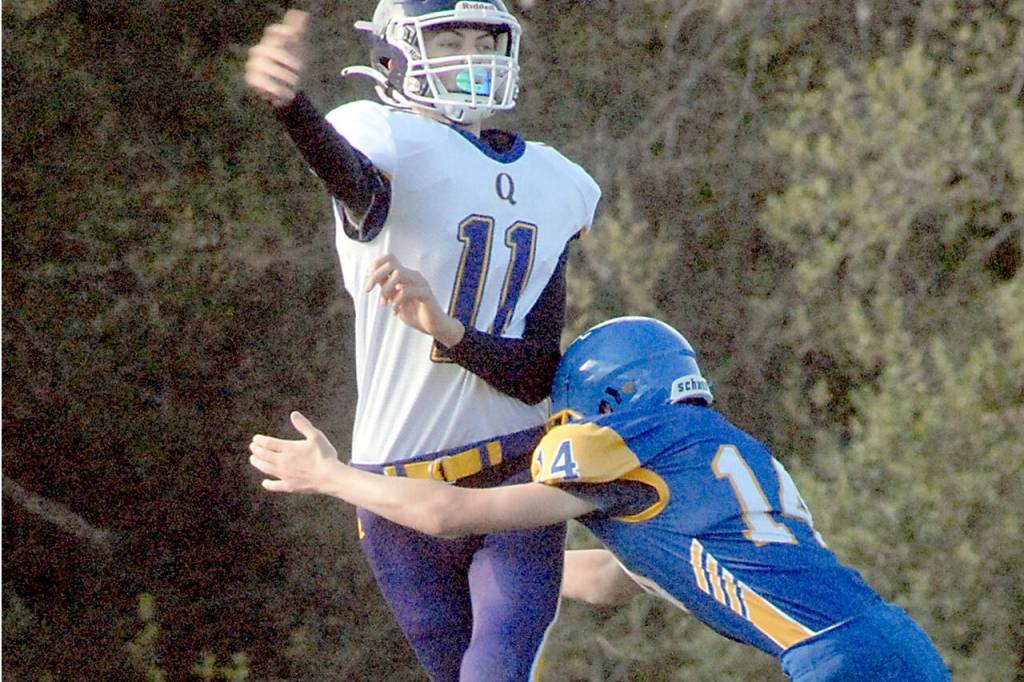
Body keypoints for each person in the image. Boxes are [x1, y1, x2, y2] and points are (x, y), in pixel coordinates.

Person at [250, 317, 952, 681]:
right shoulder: (709, 449)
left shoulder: (624, 443)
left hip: (839, 662)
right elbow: (616, 579)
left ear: (609, 397)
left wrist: (333, 477)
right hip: (886, 643)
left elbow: (448, 512)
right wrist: (493, 571)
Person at [244, 2, 601, 681]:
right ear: (391, 56)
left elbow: (534, 373)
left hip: (515, 467)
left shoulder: (555, 180)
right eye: (448, 39)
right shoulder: (382, 136)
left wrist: (451, 334)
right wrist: (292, 108)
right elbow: (350, 178)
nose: (471, 56)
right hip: (396, 490)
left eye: (483, 40)